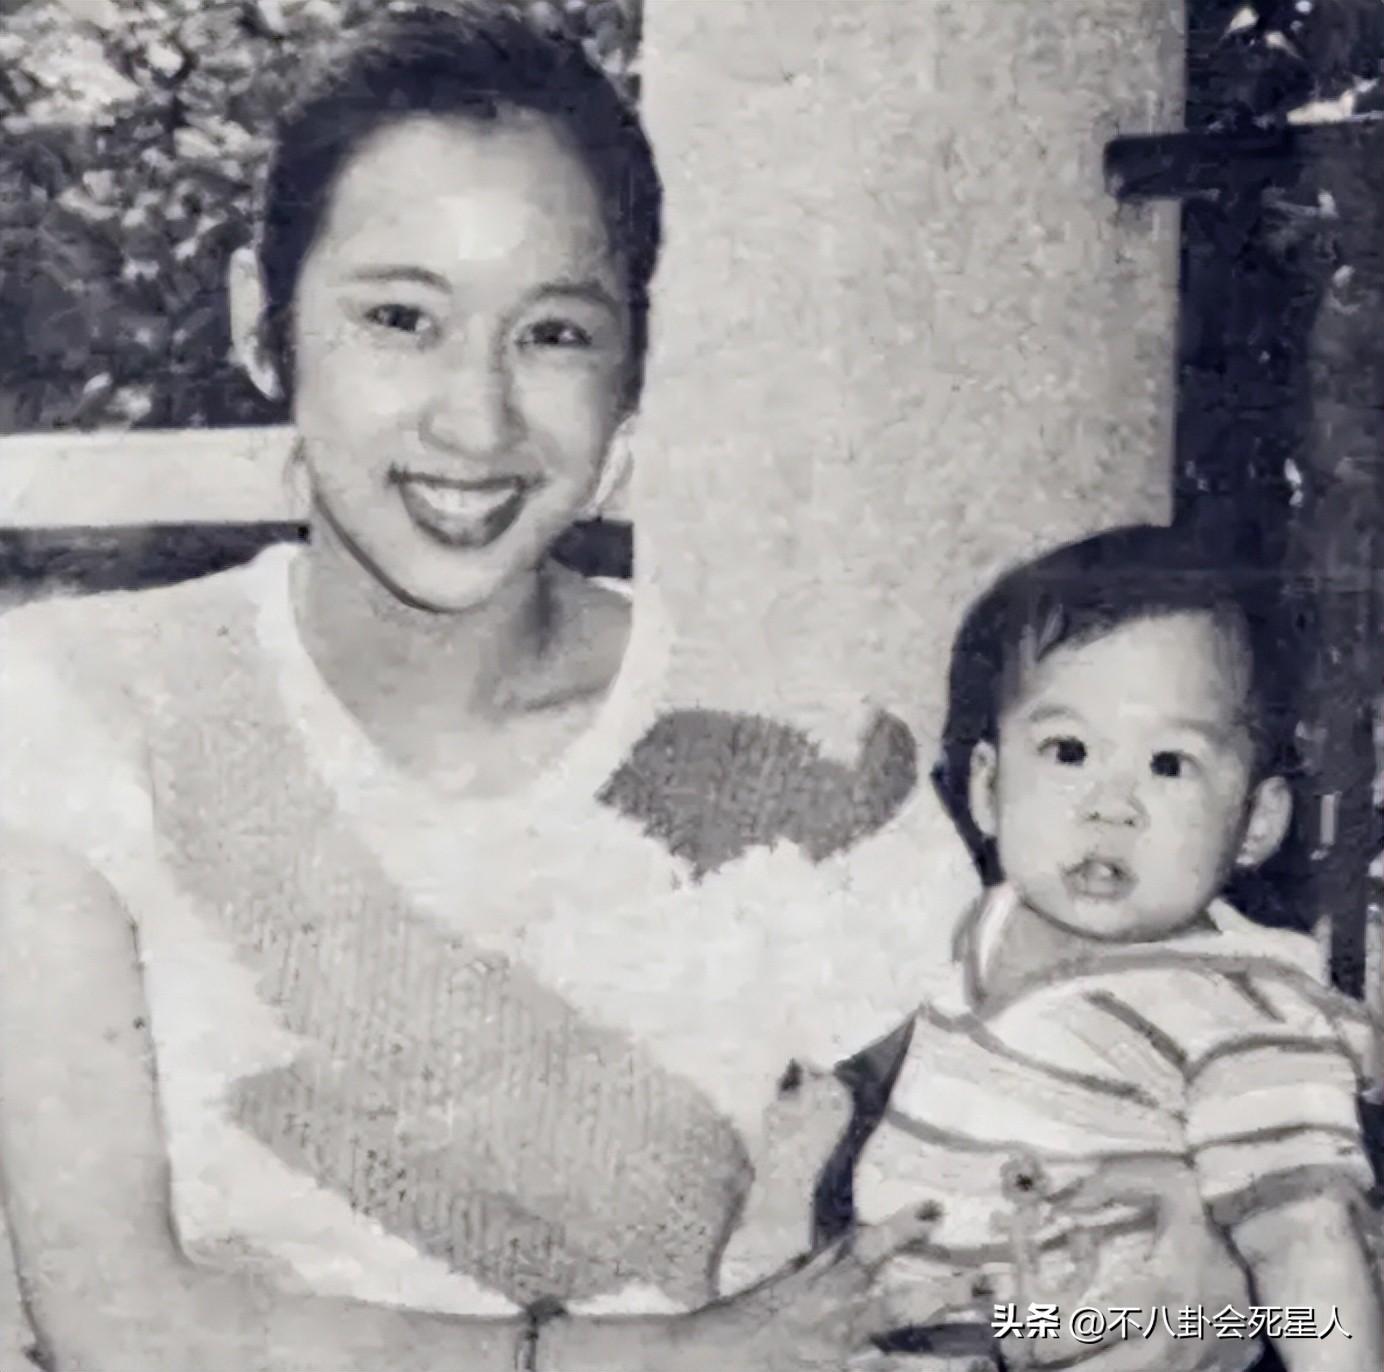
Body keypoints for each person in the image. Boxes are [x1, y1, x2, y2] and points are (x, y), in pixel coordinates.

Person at [0, 8, 1284, 1372]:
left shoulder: (790, 765)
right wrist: (668, 1356)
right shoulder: (81, 705)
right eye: (399, 318)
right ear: (263, 322)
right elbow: (121, 1323)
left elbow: (1058, 1140)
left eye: (553, 333)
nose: (477, 419)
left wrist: (1186, 1259)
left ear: (632, 368)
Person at [833, 525, 1382, 1371]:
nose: (1111, 804)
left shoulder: (1242, 1012)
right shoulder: (983, 923)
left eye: (1169, 764)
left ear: (1256, 822)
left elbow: (1307, 1244)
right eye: (1069, 751)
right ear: (988, 787)